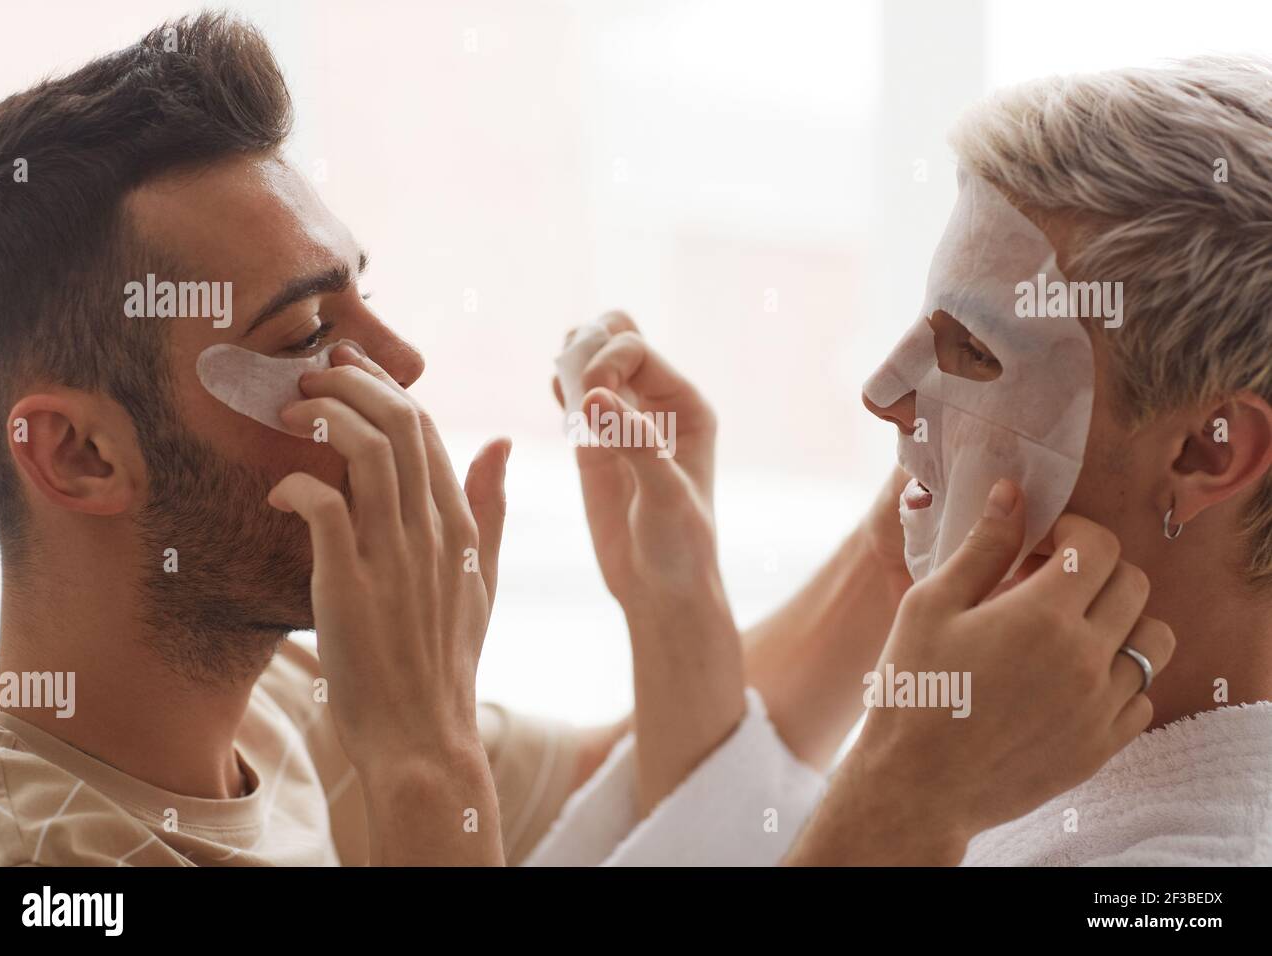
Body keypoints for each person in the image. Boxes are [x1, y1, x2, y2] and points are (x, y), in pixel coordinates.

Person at [0, 14, 1164, 866]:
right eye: (306, 332)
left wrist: (922, 490)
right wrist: (915, 797)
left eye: (363, 297)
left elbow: (663, 798)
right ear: (78, 455)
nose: (401, 365)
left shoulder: (282, 702)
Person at [538, 56, 1272, 866]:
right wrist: (673, 598)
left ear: (1212, 448)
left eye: (974, 350)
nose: (882, 392)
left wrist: (906, 792)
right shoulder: (1019, 749)